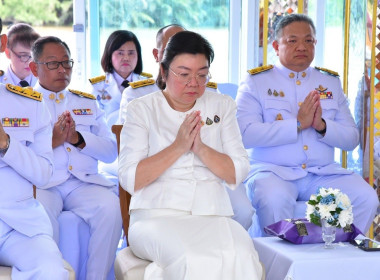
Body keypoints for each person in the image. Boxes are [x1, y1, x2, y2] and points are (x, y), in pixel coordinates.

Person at [119, 31, 262, 279]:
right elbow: (130, 178)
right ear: (164, 72)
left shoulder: (222, 105)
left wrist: (201, 149)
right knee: (189, 258)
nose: (194, 83)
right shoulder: (141, 109)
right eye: (184, 74)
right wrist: (178, 146)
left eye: (202, 75)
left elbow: (238, 171)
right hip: (155, 216)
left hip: (213, 214)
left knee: (243, 254)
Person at [236, 13, 379, 235]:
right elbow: (244, 134)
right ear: (276, 45)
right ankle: (278, 266)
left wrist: (321, 125)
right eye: (292, 40)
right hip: (273, 172)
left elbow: (351, 139)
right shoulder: (257, 81)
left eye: (308, 40)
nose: (301, 46)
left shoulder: (329, 82)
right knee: (273, 198)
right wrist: (297, 124)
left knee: (366, 198)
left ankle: (332, 255)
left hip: (321, 174)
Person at [30, 36, 122, 280]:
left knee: (111, 208)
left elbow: (111, 151)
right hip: (44, 184)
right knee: (38, 215)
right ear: (33, 68)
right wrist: (54, 141)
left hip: (83, 182)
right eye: (52, 64)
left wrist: (77, 139)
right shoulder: (24, 103)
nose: (62, 70)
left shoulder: (87, 102)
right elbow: (14, 154)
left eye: (66, 63)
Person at [0, 19, 69, 279]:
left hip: (20, 228)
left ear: (2, 43)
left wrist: (6, 144)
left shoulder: (28, 104)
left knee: (51, 269)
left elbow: (43, 175)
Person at [88, 30, 150, 127]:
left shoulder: (148, 84)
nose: (126, 58)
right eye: (120, 53)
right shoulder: (97, 86)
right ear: (109, 55)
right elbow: (93, 122)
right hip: (109, 139)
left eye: (131, 53)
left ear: (138, 56)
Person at [0, 23, 39, 87]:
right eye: (24, 56)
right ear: (8, 52)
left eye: (34, 55)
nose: (30, 62)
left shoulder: (47, 82)